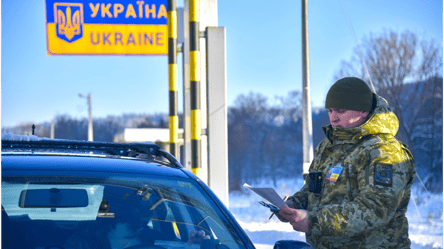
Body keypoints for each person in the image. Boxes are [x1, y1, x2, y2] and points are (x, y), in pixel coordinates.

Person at [274, 77, 416, 248]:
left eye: (340, 111)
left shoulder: (384, 152)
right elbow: (313, 190)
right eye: (330, 110)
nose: (333, 118)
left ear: (363, 110)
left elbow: (375, 210)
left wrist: (313, 221)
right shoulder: (328, 147)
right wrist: (292, 206)